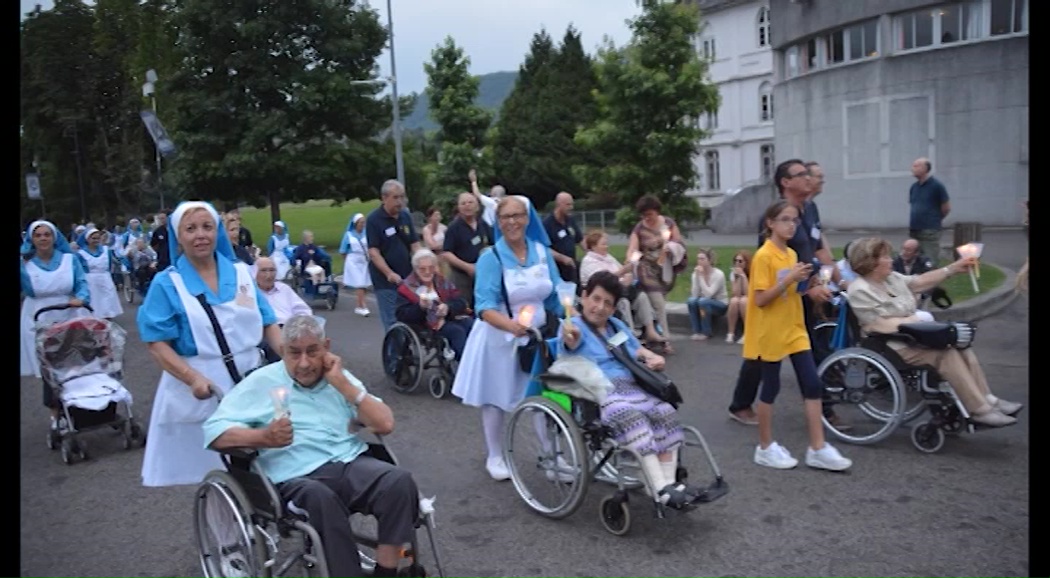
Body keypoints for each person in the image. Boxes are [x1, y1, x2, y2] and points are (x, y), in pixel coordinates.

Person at [202, 314, 427, 578]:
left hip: (349, 463)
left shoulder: (338, 378)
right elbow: (213, 433)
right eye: (294, 354)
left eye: (312, 351)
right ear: (283, 351)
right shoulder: (260, 382)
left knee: (398, 481)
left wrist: (343, 384)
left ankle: (386, 573)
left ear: (326, 347)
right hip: (295, 476)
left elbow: (385, 423)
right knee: (321, 498)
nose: (305, 363)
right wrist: (263, 437)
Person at [137, 200, 282, 487]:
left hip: (250, 377)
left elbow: (267, 321)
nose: (200, 235)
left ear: (217, 231)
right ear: (179, 237)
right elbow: (157, 343)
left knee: (268, 460)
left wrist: (292, 357)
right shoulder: (167, 284)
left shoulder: (241, 274)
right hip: (204, 384)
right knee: (220, 472)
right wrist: (192, 379)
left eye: (207, 227)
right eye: (190, 229)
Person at [560, 271, 705, 508]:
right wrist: (570, 335)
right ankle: (659, 486)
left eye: (608, 303)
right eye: (596, 299)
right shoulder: (574, 326)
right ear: (584, 297)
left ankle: (667, 485)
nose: (600, 307)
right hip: (599, 391)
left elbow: (636, 350)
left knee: (665, 411)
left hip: (631, 386)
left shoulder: (615, 325)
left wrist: (653, 357)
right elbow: (571, 339)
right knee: (633, 417)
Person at [846, 237, 1022, 427]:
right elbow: (878, 325)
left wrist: (952, 269)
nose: (891, 259)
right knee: (946, 354)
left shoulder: (892, 279)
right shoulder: (860, 290)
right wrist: (917, 320)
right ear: (871, 262)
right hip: (891, 345)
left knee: (961, 345)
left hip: (911, 337)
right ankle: (979, 410)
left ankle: (988, 399)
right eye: (885, 256)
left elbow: (920, 281)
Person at [451, 195, 564, 481]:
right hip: (499, 338)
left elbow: (554, 295)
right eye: (506, 217)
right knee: (495, 397)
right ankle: (495, 454)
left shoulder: (541, 251)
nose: (512, 222)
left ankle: (552, 456)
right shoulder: (492, 257)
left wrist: (571, 317)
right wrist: (511, 327)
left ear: (528, 219)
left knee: (543, 396)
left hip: (537, 337)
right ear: (498, 222)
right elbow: (483, 306)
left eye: (518, 216)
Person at [727, 159, 846, 429]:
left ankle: (822, 409)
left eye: (808, 173)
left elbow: (818, 249)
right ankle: (744, 407)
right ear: (786, 182)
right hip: (782, 298)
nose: (808, 178)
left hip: (803, 294)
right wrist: (806, 286)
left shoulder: (811, 209)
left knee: (812, 351)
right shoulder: (775, 220)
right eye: (801, 174)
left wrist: (837, 279)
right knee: (762, 359)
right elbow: (773, 267)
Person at [744, 200, 853, 472]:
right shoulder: (764, 256)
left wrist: (812, 290)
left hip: (794, 328)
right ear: (770, 223)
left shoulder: (791, 255)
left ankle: (817, 448)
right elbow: (760, 300)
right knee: (771, 387)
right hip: (769, 330)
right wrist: (789, 280)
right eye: (784, 219)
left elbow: (791, 292)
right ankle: (765, 447)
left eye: (794, 220)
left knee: (813, 384)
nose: (791, 225)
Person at [20, 220, 91, 431]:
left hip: (69, 311)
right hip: (37, 316)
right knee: (49, 369)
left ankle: (82, 406)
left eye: (47, 234)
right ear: (31, 240)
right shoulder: (25, 265)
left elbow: (82, 283)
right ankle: (55, 414)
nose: (43, 238)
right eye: (38, 235)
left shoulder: (70, 260)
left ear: (54, 237)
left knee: (76, 362)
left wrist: (82, 298)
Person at [625, 194, 687, 354]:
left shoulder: (668, 224)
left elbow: (678, 243)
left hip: (665, 268)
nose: (647, 218)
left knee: (657, 304)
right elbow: (633, 250)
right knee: (658, 303)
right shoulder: (639, 228)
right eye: (644, 215)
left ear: (657, 211)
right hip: (647, 269)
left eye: (650, 214)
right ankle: (665, 339)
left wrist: (671, 247)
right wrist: (631, 262)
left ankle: (651, 335)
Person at [578, 229, 664, 345]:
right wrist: (623, 272)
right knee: (623, 302)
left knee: (641, 297)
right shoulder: (589, 261)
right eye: (603, 244)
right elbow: (601, 281)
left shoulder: (608, 258)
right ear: (593, 246)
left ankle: (650, 330)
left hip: (619, 288)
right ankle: (630, 335)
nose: (606, 246)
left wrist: (627, 274)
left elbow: (620, 270)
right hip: (605, 294)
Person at [395, 249, 475, 361]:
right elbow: (402, 315)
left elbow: (460, 301)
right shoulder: (406, 288)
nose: (427, 272)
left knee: (472, 325)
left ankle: (477, 361)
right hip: (424, 326)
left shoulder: (441, 281)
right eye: (422, 269)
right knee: (457, 332)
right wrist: (420, 307)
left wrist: (447, 307)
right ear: (415, 269)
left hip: (449, 318)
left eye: (431, 267)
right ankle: (466, 365)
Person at [366, 179, 421, 332]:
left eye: (402, 197)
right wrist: (389, 273)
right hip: (386, 281)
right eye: (395, 197)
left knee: (410, 316)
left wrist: (423, 261)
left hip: (408, 277)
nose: (400, 201)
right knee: (392, 321)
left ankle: (409, 351)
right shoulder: (374, 220)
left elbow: (414, 244)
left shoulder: (405, 216)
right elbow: (373, 252)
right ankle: (395, 354)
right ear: (384, 198)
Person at [441, 191, 493, 309]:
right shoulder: (453, 228)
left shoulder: (483, 224)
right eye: (463, 203)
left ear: (477, 206)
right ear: (458, 207)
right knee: (463, 307)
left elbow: (493, 243)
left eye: (470, 202)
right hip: (461, 276)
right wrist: (467, 267)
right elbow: (446, 253)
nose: (467, 205)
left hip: (482, 275)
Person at [908, 157, 951, 262]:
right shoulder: (914, 187)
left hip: (929, 230)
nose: (912, 168)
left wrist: (934, 219)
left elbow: (946, 207)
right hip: (915, 230)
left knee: (929, 260)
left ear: (925, 168)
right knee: (915, 260)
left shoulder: (936, 186)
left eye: (916, 166)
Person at [76, 227, 123, 319]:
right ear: (87, 239)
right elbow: (79, 271)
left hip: (105, 279)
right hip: (90, 281)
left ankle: (107, 318)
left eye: (98, 238)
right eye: (93, 238)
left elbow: (109, 266)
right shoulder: (81, 254)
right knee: (94, 302)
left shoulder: (106, 250)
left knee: (107, 301)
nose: (96, 240)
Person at [255, 256, 313, 325]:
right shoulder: (251, 292)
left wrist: (300, 324)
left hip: (289, 329)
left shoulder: (284, 289)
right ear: (254, 273)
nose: (269, 275)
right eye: (263, 270)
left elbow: (303, 310)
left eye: (272, 270)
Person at [686, 248, 728, 341]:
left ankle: (706, 332)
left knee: (703, 301)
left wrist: (701, 277)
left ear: (709, 260)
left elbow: (709, 294)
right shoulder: (695, 274)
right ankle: (696, 331)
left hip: (719, 304)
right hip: (703, 303)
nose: (699, 261)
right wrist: (697, 277)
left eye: (702, 259)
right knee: (691, 301)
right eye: (698, 259)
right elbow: (695, 295)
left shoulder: (718, 274)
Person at [543, 192, 584, 285]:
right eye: (568, 205)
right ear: (558, 204)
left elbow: (580, 239)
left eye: (572, 204)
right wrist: (562, 258)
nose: (571, 207)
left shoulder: (570, 220)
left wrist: (591, 253)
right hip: (556, 270)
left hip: (571, 267)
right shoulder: (547, 224)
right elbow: (544, 248)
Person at [339, 212, 372, 316]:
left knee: (364, 284)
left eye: (364, 223)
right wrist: (348, 262)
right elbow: (343, 251)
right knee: (359, 284)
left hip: (364, 260)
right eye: (361, 223)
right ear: (356, 223)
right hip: (353, 260)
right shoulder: (348, 235)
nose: (363, 225)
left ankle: (358, 305)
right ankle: (363, 305)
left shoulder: (366, 233)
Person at [892, 238, 935, 308]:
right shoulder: (895, 261)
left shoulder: (924, 262)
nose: (904, 252)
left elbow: (929, 278)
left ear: (916, 253)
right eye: (903, 249)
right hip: (901, 292)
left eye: (908, 250)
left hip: (919, 292)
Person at [726, 250, 751, 344]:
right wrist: (738, 277)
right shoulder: (733, 274)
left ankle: (747, 333)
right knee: (734, 301)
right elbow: (735, 293)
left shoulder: (752, 272)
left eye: (740, 261)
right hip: (739, 297)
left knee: (744, 301)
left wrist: (743, 276)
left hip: (752, 299)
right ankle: (730, 333)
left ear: (746, 262)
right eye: (735, 261)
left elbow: (748, 293)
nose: (737, 263)